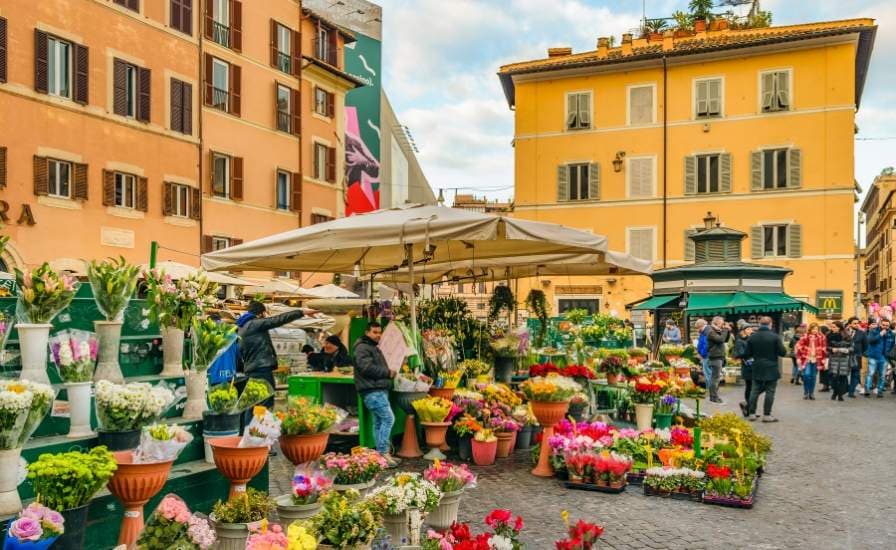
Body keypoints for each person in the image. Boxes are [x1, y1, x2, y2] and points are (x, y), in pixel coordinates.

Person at [237, 302, 313, 420]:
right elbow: (278, 320)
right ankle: (260, 432)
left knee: (253, 403)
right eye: (265, 314)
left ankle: (248, 433)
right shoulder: (254, 324)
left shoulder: (242, 327)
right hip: (262, 370)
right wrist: (301, 312)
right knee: (264, 402)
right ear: (261, 313)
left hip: (252, 370)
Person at [353, 322, 399, 467]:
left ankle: (381, 455)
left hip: (376, 389)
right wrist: (387, 372)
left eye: (380, 332)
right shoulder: (363, 348)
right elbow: (366, 368)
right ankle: (384, 453)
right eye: (375, 332)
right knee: (388, 419)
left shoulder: (371, 347)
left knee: (379, 422)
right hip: (373, 390)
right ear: (367, 332)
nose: (378, 335)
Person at [744, 316, 787, 422]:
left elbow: (747, 354)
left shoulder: (752, 337)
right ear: (770, 324)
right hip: (771, 367)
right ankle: (767, 415)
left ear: (760, 324)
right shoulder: (775, 337)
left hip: (757, 366)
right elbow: (783, 352)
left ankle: (752, 414)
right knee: (770, 391)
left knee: (754, 390)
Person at [795, 323, 827, 400]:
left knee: (813, 377)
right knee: (806, 375)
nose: (814, 331)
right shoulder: (805, 336)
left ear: (818, 329)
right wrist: (800, 356)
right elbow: (799, 346)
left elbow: (824, 348)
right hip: (807, 359)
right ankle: (806, 392)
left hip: (817, 359)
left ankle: (811, 393)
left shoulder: (822, 337)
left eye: (816, 329)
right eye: (813, 329)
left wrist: (824, 359)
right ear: (810, 329)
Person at [864, 318, 894, 398]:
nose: (885, 327)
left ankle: (880, 391)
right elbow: (870, 340)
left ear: (889, 325)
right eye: (883, 325)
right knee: (870, 373)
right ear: (880, 324)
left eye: (887, 325)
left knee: (882, 375)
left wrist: (888, 354)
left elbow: (892, 345)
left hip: (884, 357)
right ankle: (867, 389)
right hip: (873, 356)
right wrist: (880, 334)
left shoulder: (891, 334)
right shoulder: (873, 331)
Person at [706, 316, 731, 404]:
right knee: (715, 378)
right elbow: (721, 340)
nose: (723, 325)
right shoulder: (711, 332)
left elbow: (726, 340)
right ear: (717, 323)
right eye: (722, 323)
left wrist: (728, 330)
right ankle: (713, 397)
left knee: (716, 377)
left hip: (719, 357)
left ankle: (714, 396)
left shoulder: (718, 331)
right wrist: (725, 330)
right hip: (715, 358)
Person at [826, 321, 853, 402]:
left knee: (842, 377)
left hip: (844, 359)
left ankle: (840, 395)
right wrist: (831, 349)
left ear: (839, 327)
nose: (832, 328)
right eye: (832, 327)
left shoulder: (846, 335)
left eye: (834, 327)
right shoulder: (828, 335)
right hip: (833, 358)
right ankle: (835, 392)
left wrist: (844, 350)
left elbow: (852, 348)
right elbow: (825, 347)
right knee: (833, 378)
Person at [733, 324, 755, 417]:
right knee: (750, 387)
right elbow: (739, 354)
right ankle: (749, 407)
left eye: (751, 329)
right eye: (749, 329)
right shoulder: (739, 341)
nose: (751, 330)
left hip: (754, 366)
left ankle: (748, 406)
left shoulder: (751, 339)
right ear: (743, 330)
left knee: (754, 387)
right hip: (747, 367)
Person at [846, 317, 867, 398]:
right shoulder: (845, 332)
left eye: (857, 323)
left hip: (857, 356)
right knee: (844, 374)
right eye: (854, 323)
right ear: (850, 324)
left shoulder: (862, 333)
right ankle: (846, 388)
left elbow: (865, 346)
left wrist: (860, 353)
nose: (856, 325)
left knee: (855, 374)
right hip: (846, 356)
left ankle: (851, 392)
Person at [694, 318, 711, 388]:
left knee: (708, 373)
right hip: (706, 355)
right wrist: (698, 351)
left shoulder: (707, 331)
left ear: (700, 326)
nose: (697, 330)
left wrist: (701, 354)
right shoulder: (703, 332)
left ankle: (710, 389)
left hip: (707, 355)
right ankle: (709, 388)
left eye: (697, 328)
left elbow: (706, 345)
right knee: (707, 372)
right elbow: (701, 343)